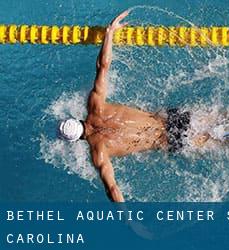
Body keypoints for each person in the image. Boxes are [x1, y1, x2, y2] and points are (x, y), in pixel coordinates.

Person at [58, 11, 210, 202]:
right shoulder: (95, 105)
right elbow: (103, 66)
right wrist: (109, 33)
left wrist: (130, 221)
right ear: (76, 119)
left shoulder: (99, 152)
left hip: (171, 140)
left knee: (228, 141)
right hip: (172, 118)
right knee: (226, 118)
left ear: (76, 140)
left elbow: (112, 189)